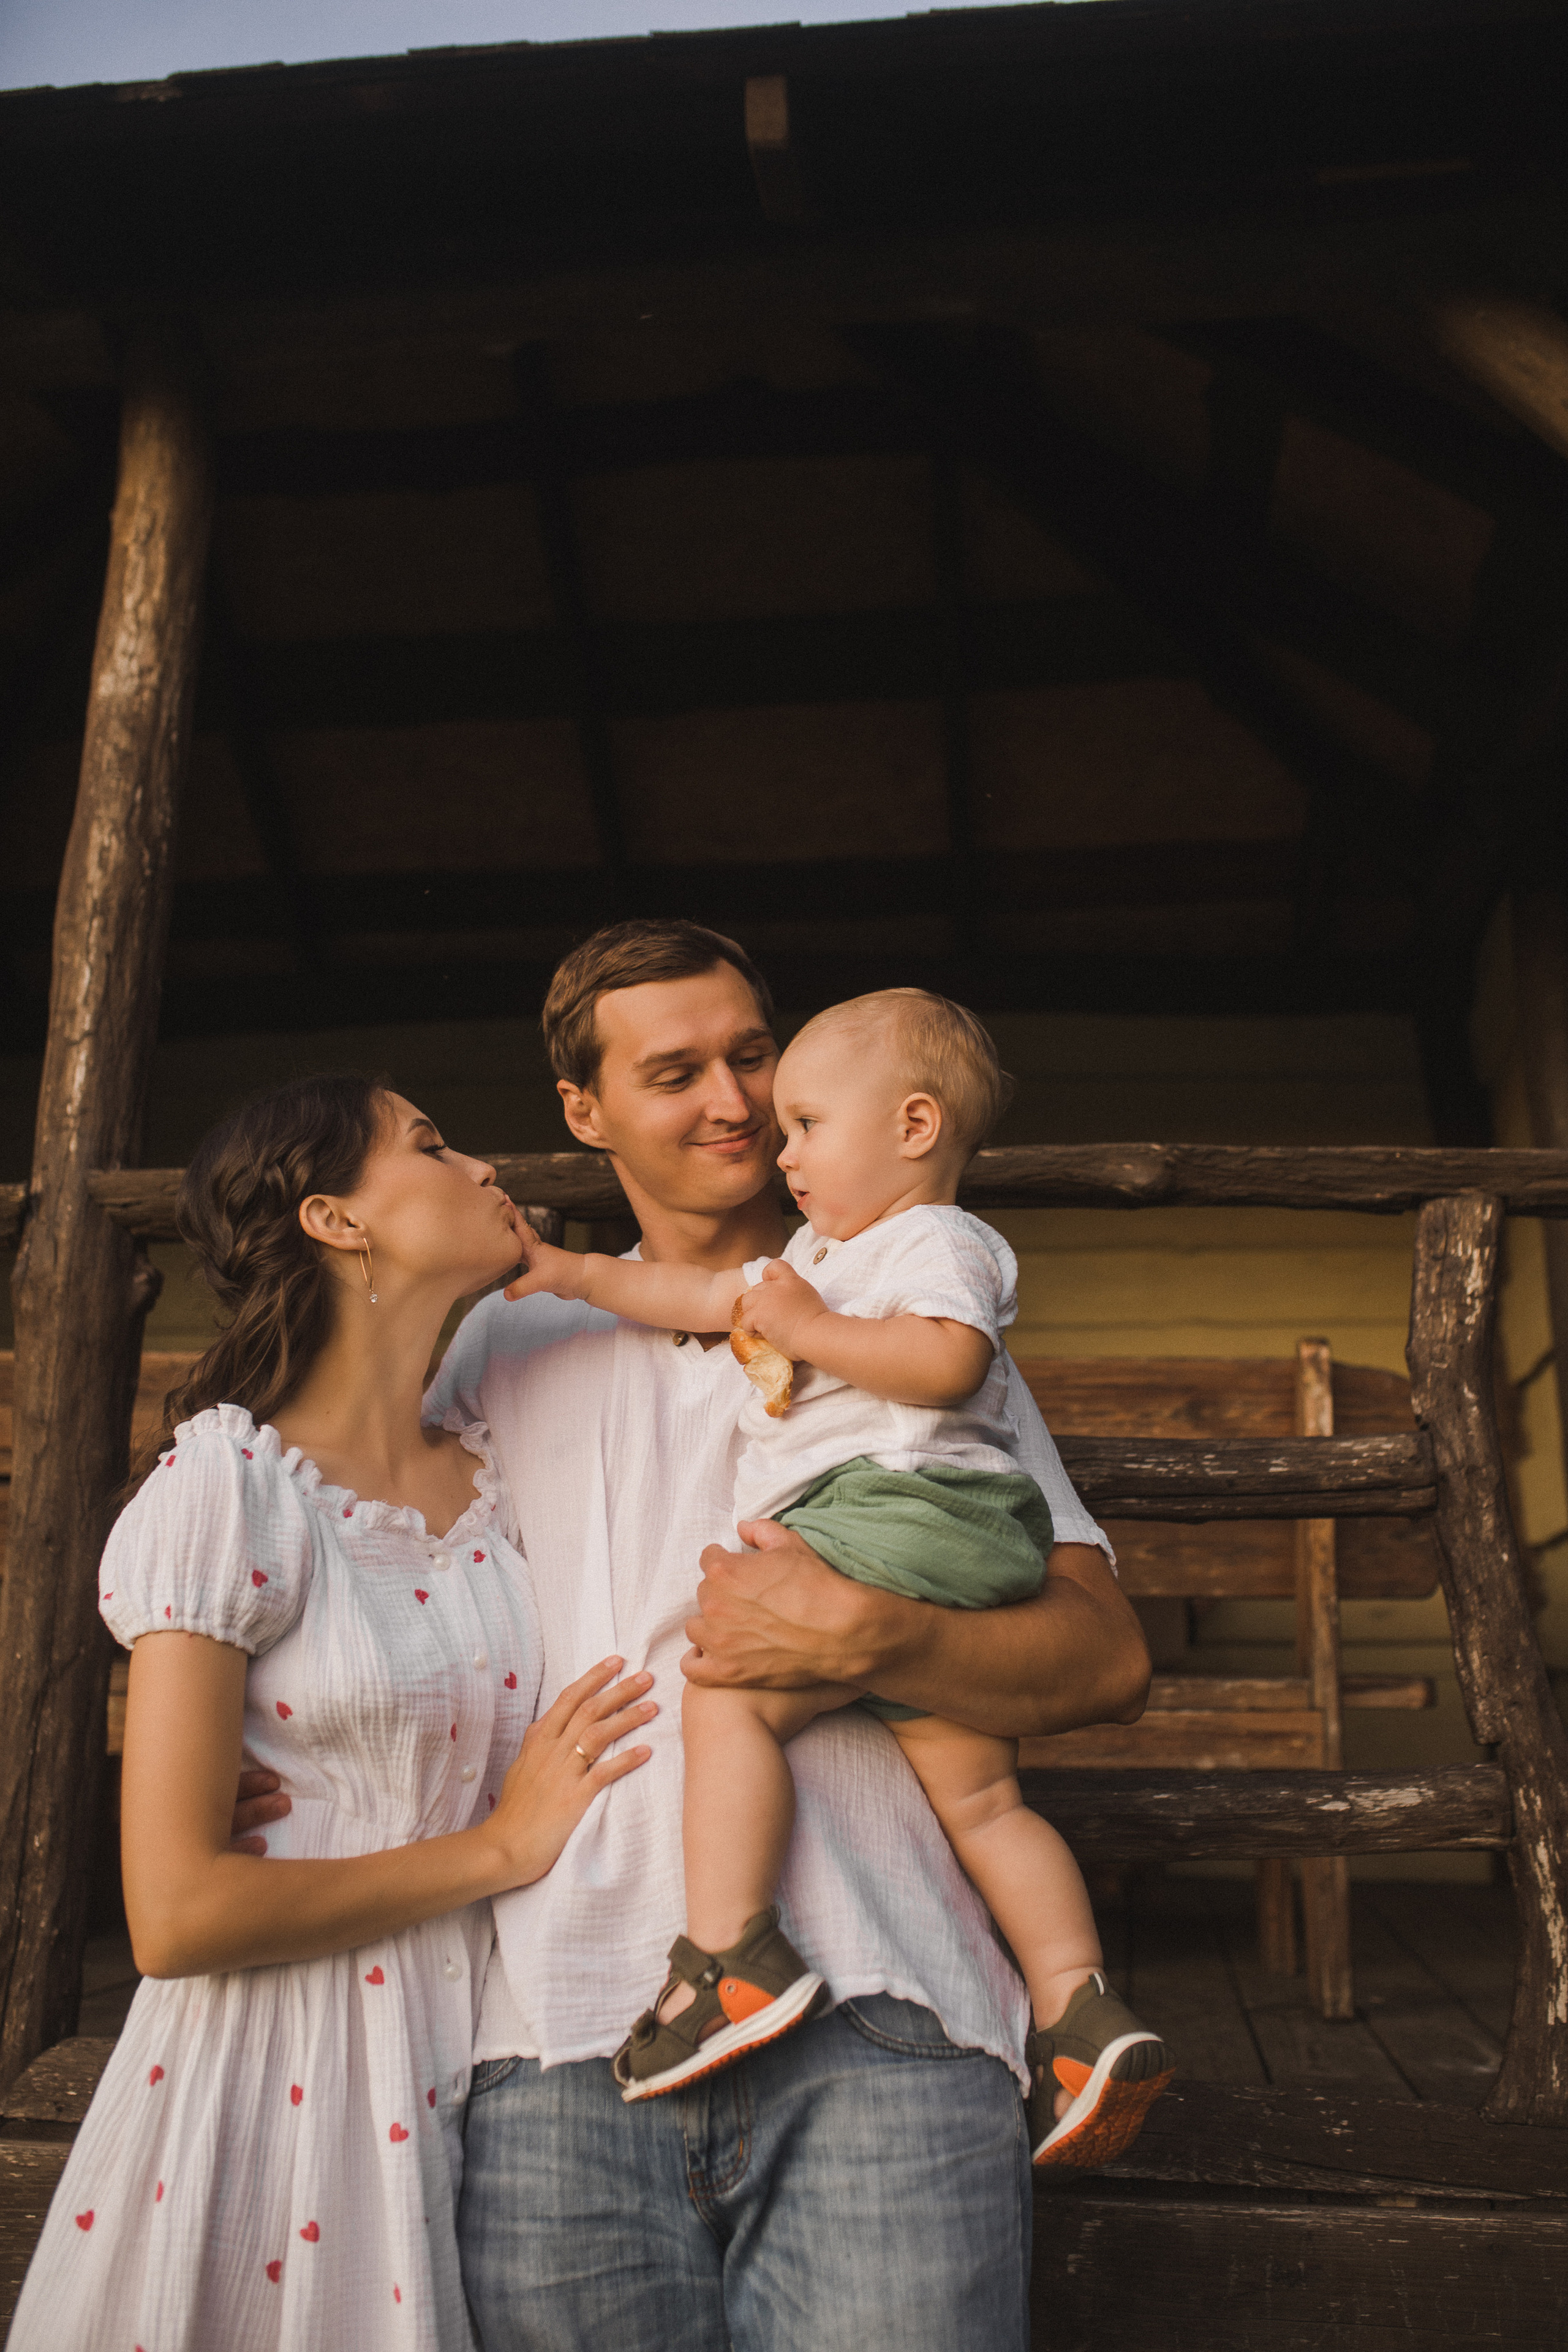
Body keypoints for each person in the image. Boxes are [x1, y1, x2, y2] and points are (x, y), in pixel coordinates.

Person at [419, 922, 1152, 2352]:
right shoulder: (490, 1352)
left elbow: (1103, 1659)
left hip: (890, 2023)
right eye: (673, 1072)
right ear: (583, 1111)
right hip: (555, 2041)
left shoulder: (905, 1319)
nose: (735, 1103)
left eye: (752, 1056)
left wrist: (870, 1636)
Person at [10, 1075, 654, 2352]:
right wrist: (498, 1847)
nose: (483, 1167)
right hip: (276, 2069)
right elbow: (175, 1916)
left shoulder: (497, 1474)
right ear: (335, 1218)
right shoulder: (233, 1487)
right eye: (431, 1145)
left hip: (476, 2064)